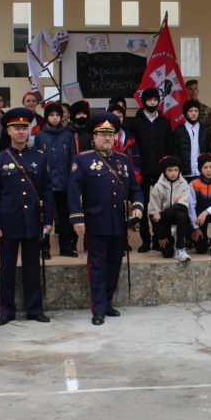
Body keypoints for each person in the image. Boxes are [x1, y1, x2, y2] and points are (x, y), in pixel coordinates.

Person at [68, 112, 145, 326]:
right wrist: (77, 218)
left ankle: (108, 302)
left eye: (111, 134)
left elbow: (136, 190)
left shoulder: (123, 161)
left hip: (118, 223)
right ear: (94, 136)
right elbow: (73, 192)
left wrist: (138, 207)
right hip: (96, 222)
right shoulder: (82, 160)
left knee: (114, 265)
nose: (107, 138)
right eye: (102, 134)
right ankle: (99, 308)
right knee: (98, 266)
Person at [0, 108, 54, 326]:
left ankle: (34, 309)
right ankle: (7, 310)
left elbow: (47, 191)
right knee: (7, 268)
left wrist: (48, 220)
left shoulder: (39, 157)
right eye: (16, 128)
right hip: (8, 222)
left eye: (24, 128)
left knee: (32, 267)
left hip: (33, 220)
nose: (20, 132)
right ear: (8, 131)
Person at [131, 87, 174, 253]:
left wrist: (168, 168)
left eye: (155, 100)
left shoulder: (165, 122)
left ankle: (158, 238)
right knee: (142, 206)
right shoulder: (136, 122)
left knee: (160, 207)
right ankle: (145, 240)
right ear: (144, 102)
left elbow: (169, 146)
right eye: (149, 100)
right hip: (142, 171)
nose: (152, 103)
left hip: (160, 172)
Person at [33, 101, 78, 258]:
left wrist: (72, 180)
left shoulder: (68, 135)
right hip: (46, 184)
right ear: (46, 117)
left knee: (64, 217)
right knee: (45, 218)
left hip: (64, 183)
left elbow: (73, 158)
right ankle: (44, 247)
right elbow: (36, 159)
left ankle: (65, 247)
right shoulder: (40, 136)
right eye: (51, 115)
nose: (54, 118)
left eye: (57, 115)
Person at [148, 155, 194, 261]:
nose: (173, 173)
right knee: (167, 254)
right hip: (162, 221)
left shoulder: (184, 184)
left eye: (176, 170)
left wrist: (161, 214)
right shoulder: (158, 187)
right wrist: (161, 236)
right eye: (170, 170)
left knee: (182, 215)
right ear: (164, 171)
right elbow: (153, 214)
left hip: (176, 216)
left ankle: (180, 247)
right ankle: (170, 236)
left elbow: (183, 206)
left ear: (179, 170)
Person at [173, 99, 211, 181]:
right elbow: (174, 152)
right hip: (184, 174)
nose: (194, 113)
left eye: (196, 111)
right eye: (190, 111)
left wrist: (209, 168)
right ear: (185, 113)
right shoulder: (178, 130)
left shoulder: (205, 130)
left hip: (202, 173)